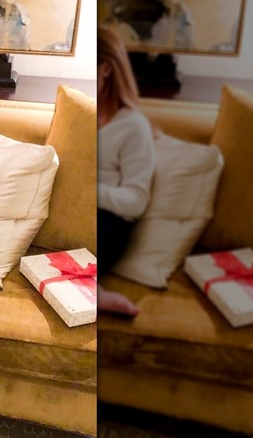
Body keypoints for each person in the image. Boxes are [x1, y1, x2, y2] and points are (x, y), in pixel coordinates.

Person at [97, 26, 156, 316]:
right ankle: (93, 292)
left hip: (110, 223)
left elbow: (137, 200)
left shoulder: (133, 126)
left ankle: (94, 292)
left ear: (105, 69)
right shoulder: (86, 119)